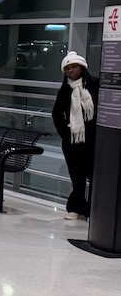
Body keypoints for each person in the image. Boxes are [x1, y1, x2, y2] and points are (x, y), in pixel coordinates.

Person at [52, 51, 99, 220]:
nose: (71, 71)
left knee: (95, 175)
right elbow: (57, 114)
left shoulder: (95, 85)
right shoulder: (64, 91)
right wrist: (66, 133)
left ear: (82, 67)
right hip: (73, 141)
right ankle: (76, 207)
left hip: (94, 140)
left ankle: (95, 209)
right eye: (67, 68)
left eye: (74, 67)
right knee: (77, 176)